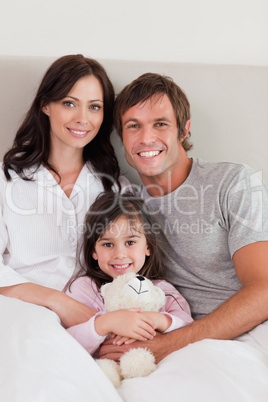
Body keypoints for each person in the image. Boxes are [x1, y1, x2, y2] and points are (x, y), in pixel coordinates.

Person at [98, 72, 268, 364]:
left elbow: (264, 290)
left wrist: (167, 345)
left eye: (160, 124)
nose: (146, 138)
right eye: (133, 126)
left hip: (253, 329)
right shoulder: (127, 212)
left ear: (183, 130)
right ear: (122, 137)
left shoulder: (233, 182)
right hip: (184, 340)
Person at [0, 54, 128, 328]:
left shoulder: (116, 187)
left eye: (95, 107)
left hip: (93, 318)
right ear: (46, 105)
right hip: (21, 312)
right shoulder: (6, 179)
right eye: (70, 103)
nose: (83, 118)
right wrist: (56, 301)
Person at [65, 191, 193, 355]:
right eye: (108, 244)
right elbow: (65, 339)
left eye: (130, 242)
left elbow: (188, 326)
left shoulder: (162, 290)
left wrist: (157, 320)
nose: (119, 254)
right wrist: (105, 323)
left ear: (148, 247)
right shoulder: (85, 288)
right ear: (93, 252)